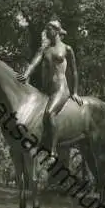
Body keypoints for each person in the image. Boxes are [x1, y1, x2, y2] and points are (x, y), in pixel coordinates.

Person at [17, 19, 82, 157]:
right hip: (46, 90)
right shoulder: (44, 50)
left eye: (49, 29)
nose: (47, 32)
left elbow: (74, 71)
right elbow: (33, 64)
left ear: (57, 31)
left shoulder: (67, 49)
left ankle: (52, 150)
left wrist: (75, 92)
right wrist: (25, 74)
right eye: (46, 30)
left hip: (61, 89)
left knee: (49, 113)